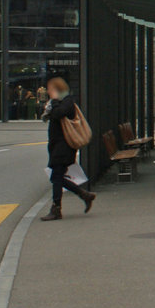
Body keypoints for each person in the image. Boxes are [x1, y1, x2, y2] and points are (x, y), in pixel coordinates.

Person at [39, 76, 96, 221]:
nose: (48, 92)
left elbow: (59, 114)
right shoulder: (60, 102)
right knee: (56, 177)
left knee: (56, 177)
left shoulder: (67, 101)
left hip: (64, 147)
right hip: (58, 146)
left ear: (57, 89)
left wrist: (55, 101)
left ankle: (56, 208)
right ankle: (84, 195)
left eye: (51, 89)